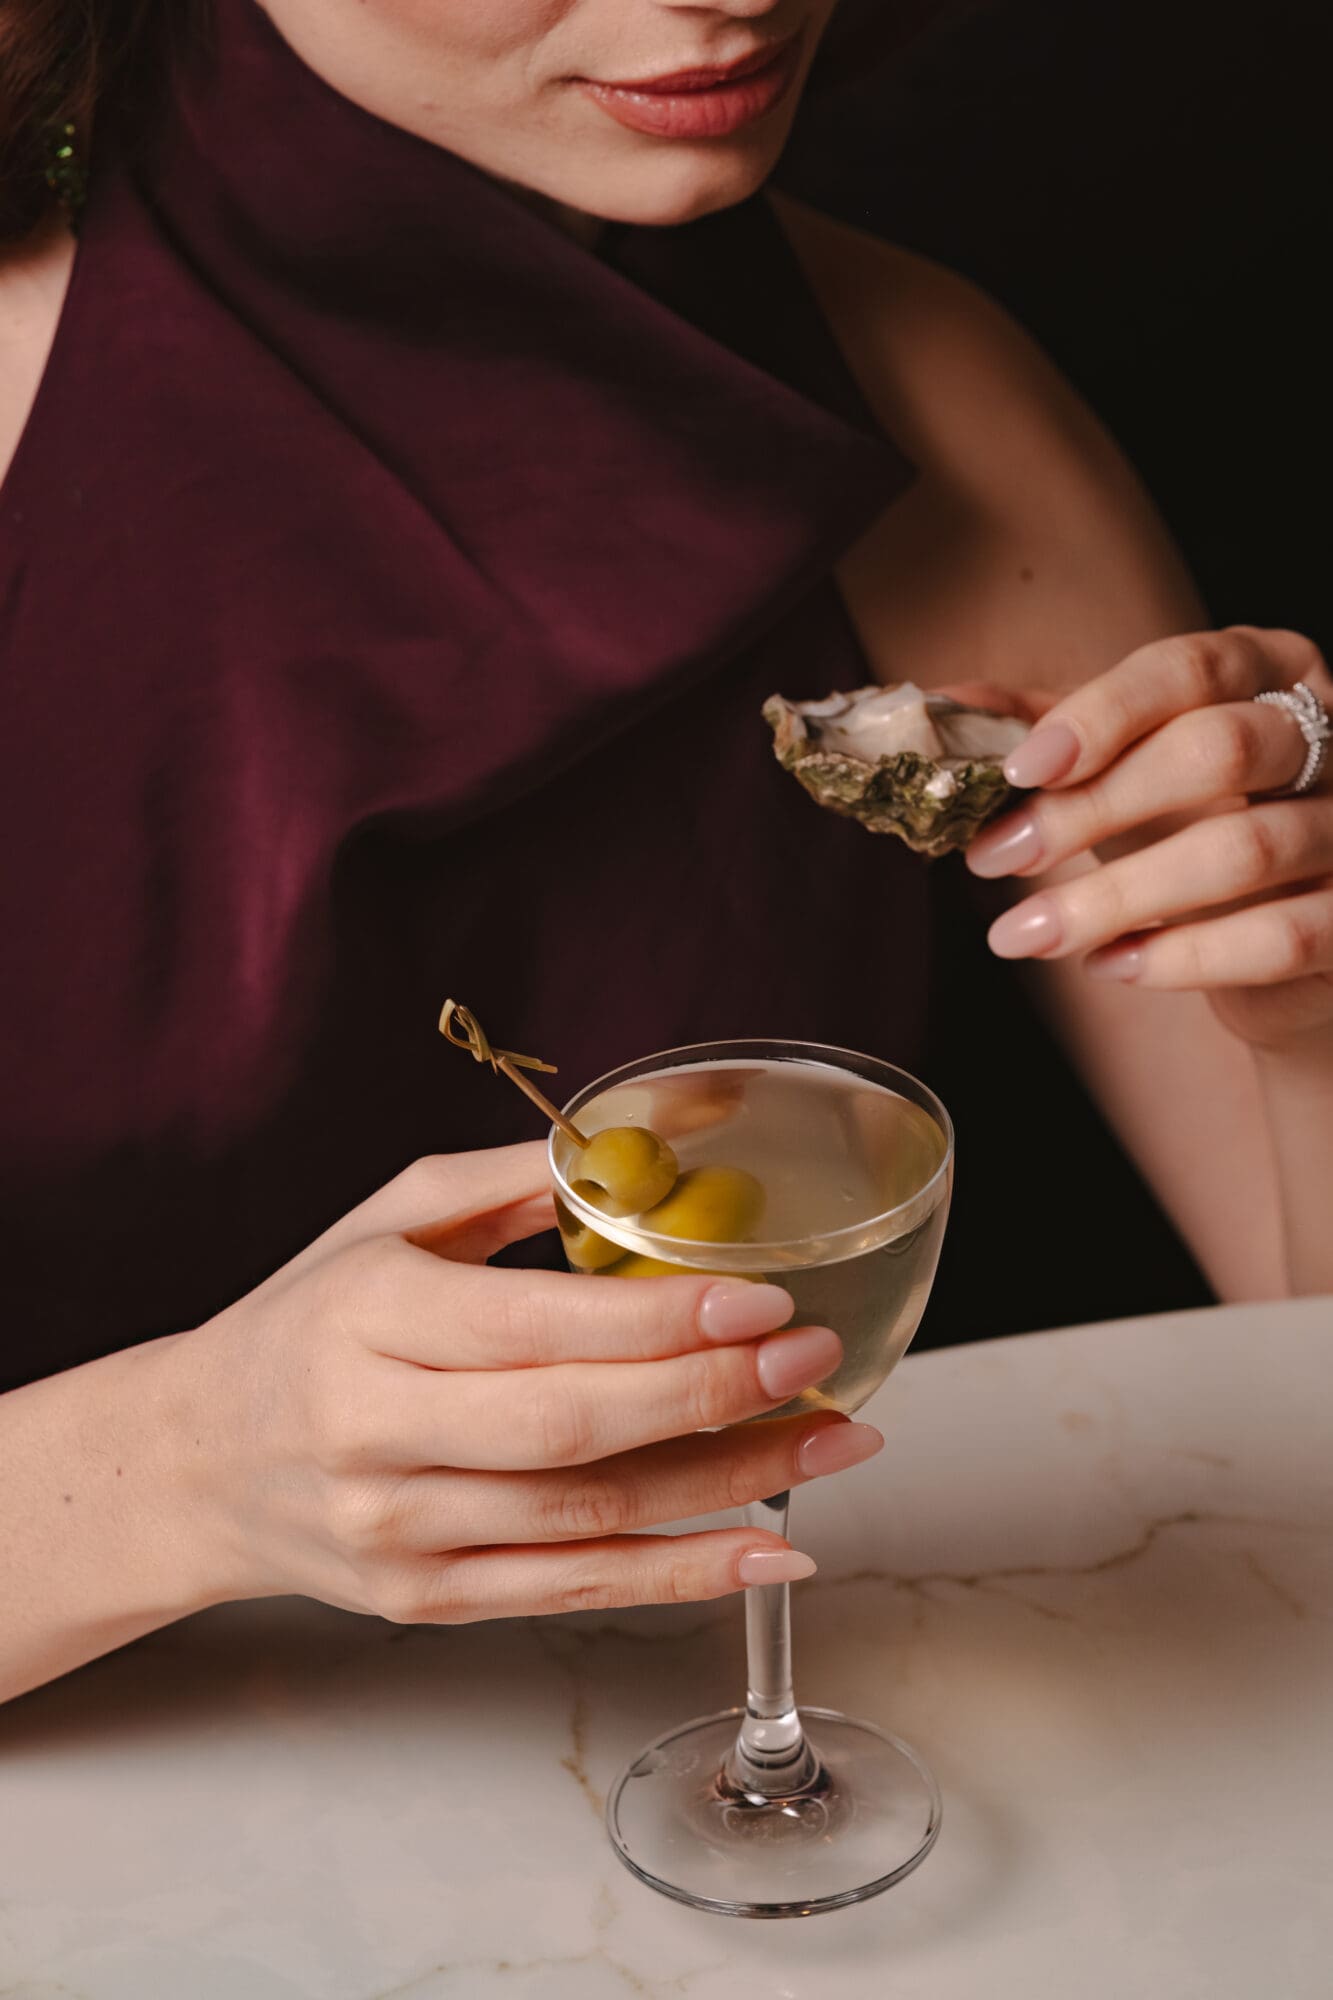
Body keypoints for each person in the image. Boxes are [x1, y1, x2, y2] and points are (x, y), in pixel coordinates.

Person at [0, 0, 1329, 1710]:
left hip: (773, 1741)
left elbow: (1303, 1388)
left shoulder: (919, 391)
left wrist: (1305, 1006)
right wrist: (177, 1474)